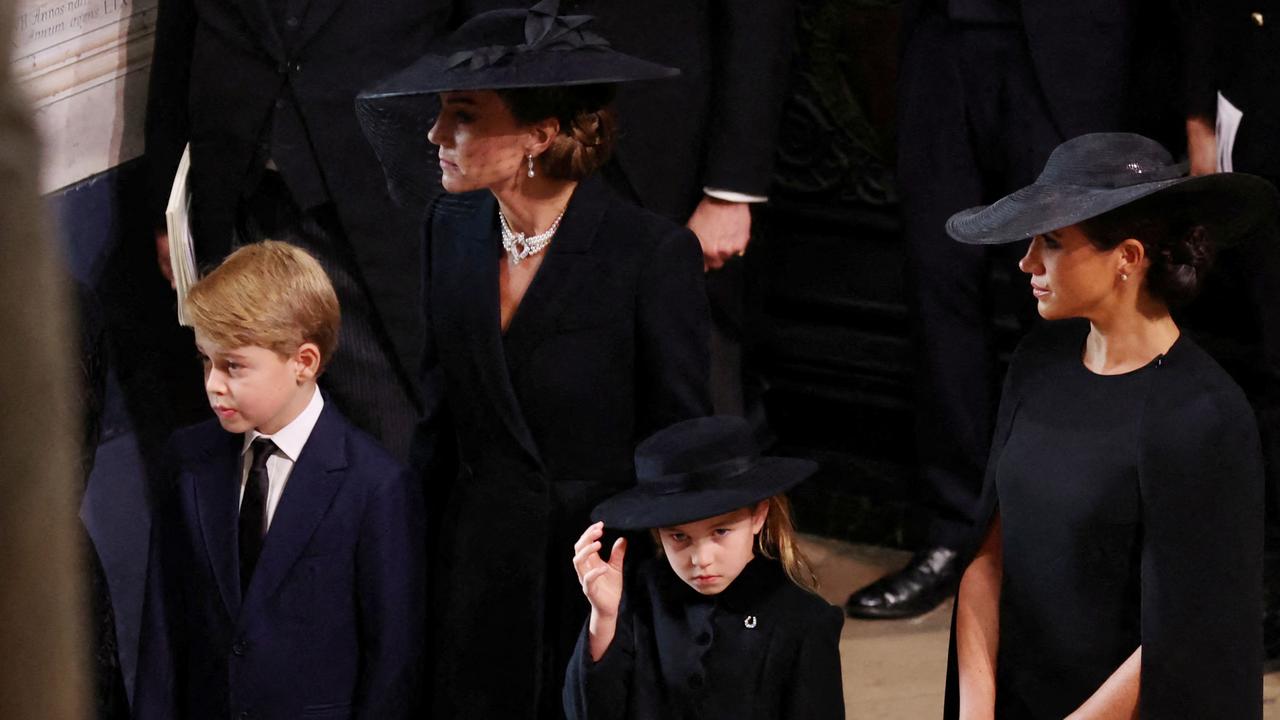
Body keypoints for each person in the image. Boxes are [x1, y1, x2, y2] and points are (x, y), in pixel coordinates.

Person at [357, 2, 712, 716]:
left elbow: (679, 454)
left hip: (590, 578)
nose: (435, 136)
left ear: (539, 135)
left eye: (462, 116)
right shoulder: (449, 227)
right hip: (474, 576)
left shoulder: (647, 256)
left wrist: (651, 604)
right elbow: (439, 417)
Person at [846, 0, 1165, 619]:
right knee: (938, 292)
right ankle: (953, 537)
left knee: (1074, 291)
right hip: (939, 39)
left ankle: (1075, 542)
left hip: (1074, 45)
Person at [943, 133, 1275, 718]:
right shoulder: (1036, 363)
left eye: (1050, 242)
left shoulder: (1204, 416)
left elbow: (1189, 635)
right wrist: (976, 708)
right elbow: (988, 557)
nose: (1026, 263)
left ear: (1127, 257)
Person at [455, 0, 795, 428]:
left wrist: (731, 191)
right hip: (507, 123)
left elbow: (758, 18)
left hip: (669, 161)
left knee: (694, 430)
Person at [144, 0, 453, 458]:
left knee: (392, 427)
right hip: (237, 194)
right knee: (264, 437)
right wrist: (163, 208)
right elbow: (177, 40)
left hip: (387, 195)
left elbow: (492, 30)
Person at [133, 242, 427, 719]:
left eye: (233, 365)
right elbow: (163, 629)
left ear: (304, 363)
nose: (212, 383)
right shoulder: (189, 461)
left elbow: (392, 661)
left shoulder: (376, 486)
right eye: (205, 360)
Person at [564, 415, 844, 719]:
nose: (701, 559)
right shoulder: (635, 597)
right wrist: (604, 618)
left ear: (759, 516)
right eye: (679, 537)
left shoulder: (803, 621)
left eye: (720, 532)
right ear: (658, 533)